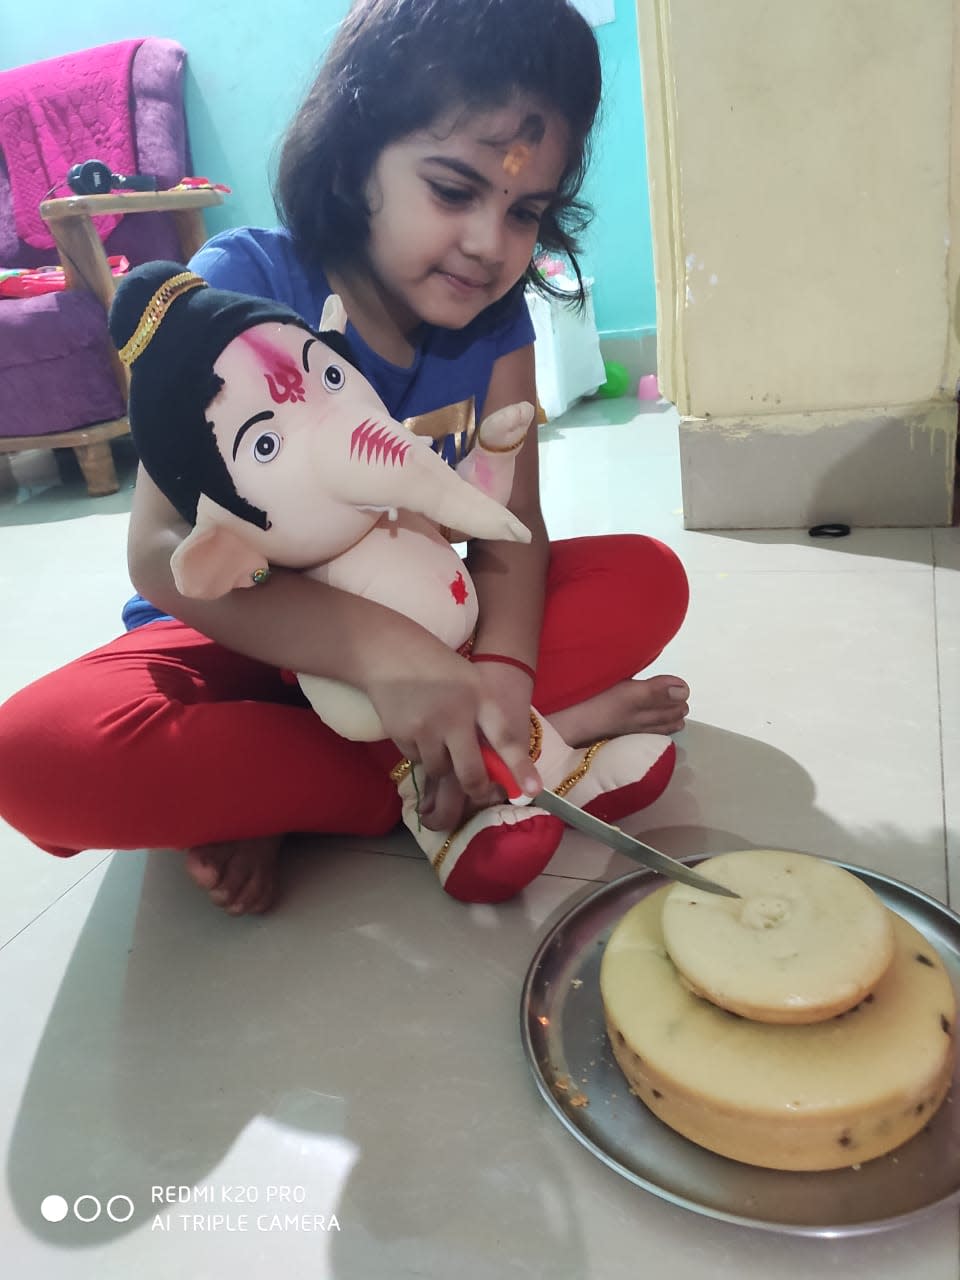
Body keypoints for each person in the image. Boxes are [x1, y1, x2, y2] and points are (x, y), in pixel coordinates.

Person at [0, 0, 689, 916]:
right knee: (37, 755)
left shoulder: (498, 325)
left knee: (648, 579)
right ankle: (474, 765)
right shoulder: (242, 291)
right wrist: (379, 653)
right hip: (247, 640)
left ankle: (332, 779)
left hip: (435, 631)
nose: (490, 244)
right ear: (357, 156)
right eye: (452, 190)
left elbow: (512, 534)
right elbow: (161, 550)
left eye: (525, 210)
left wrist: (499, 675)